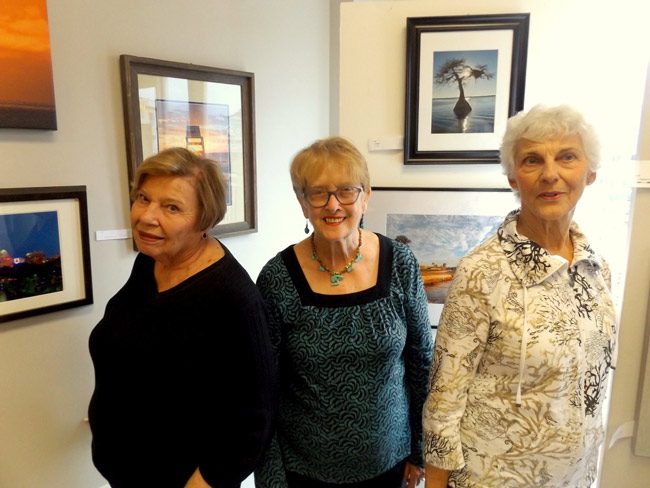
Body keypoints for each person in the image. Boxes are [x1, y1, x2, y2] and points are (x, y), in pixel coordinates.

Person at [422, 105, 618, 487]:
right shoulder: (482, 272)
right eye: (532, 160)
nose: (550, 174)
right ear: (514, 178)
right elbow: (444, 400)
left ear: (589, 173)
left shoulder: (596, 268)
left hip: (574, 478)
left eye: (567, 157)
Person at [88, 147, 276, 488]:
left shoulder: (233, 297)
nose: (147, 216)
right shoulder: (152, 261)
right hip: (127, 472)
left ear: (204, 218)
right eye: (143, 198)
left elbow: (253, 420)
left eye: (171, 207)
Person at [254, 137, 433, 488]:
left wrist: (419, 450)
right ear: (302, 203)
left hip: (390, 464)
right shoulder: (277, 277)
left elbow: (421, 362)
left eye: (346, 191)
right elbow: (264, 389)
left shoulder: (401, 263)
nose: (332, 205)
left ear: (366, 196)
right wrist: (272, 477)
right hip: (304, 472)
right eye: (318, 193)